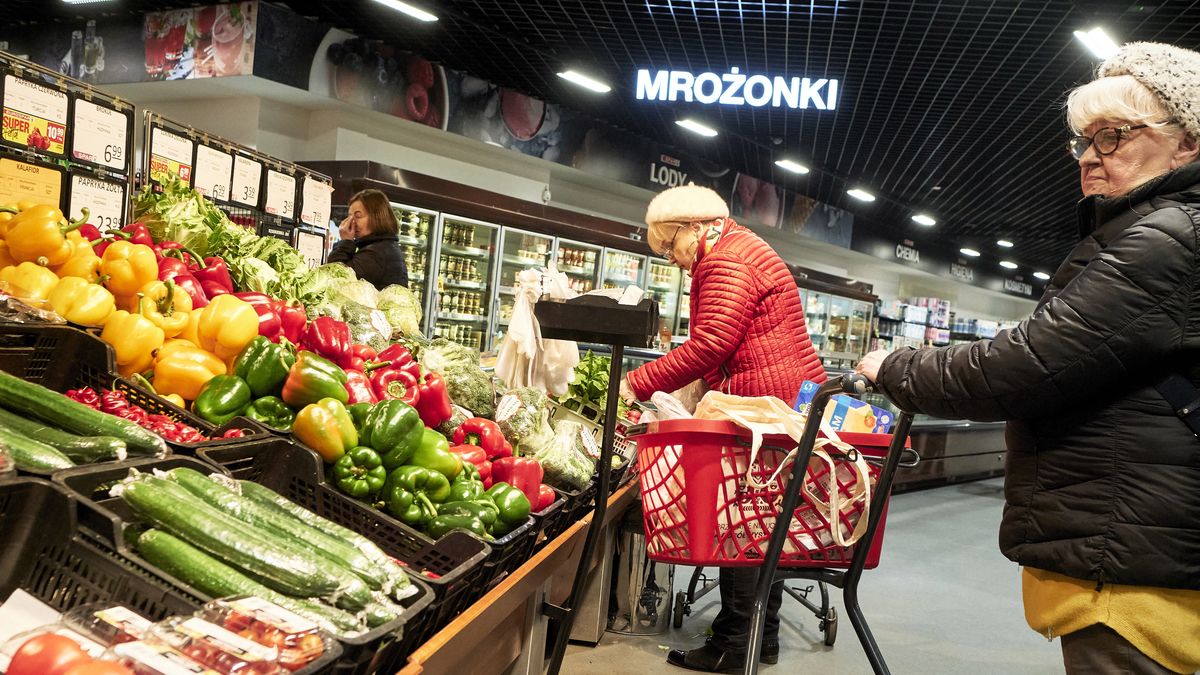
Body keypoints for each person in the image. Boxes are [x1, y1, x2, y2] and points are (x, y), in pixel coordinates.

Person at [856, 41, 1200, 675]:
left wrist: (894, 367)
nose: (1091, 156)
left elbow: (1024, 366)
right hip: (1142, 545)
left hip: (1128, 567)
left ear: (1188, 143)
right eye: (1084, 140)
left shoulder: (1166, 237)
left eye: (1115, 135)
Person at [618, 183, 826, 673]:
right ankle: (760, 639)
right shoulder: (740, 245)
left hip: (761, 405)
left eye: (670, 245)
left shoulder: (726, 260)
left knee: (743, 523)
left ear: (693, 227)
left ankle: (735, 642)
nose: (672, 258)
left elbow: (712, 341)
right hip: (778, 402)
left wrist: (637, 383)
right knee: (765, 524)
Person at [328, 188, 408, 289]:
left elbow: (335, 278)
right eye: (349, 216)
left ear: (377, 217)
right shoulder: (383, 246)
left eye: (358, 216)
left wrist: (346, 241)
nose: (351, 222)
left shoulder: (377, 253)